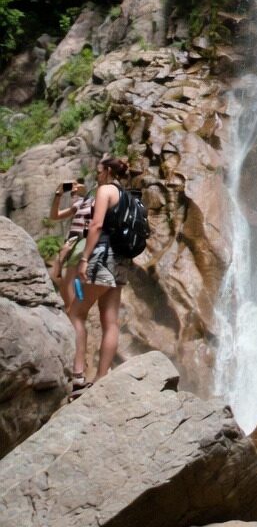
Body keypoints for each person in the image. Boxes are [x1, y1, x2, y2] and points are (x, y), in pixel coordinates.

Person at [69, 156, 133, 398]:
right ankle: (101, 378)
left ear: (107, 171)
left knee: (76, 313)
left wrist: (84, 258)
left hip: (102, 258)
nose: (96, 175)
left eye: (98, 171)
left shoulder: (105, 190)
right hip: (122, 262)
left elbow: (96, 226)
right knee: (111, 321)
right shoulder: (128, 196)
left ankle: (78, 375)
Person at [48, 180, 92, 310]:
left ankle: (72, 310)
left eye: (75, 191)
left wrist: (85, 192)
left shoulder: (91, 201)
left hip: (82, 241)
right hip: (71, 241)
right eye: (71, 193)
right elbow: (54, 216)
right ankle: (72, 307)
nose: (73, 194)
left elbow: (94, 222)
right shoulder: (78, 205)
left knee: (69, 279)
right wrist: (58, 195)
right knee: (56, 275)